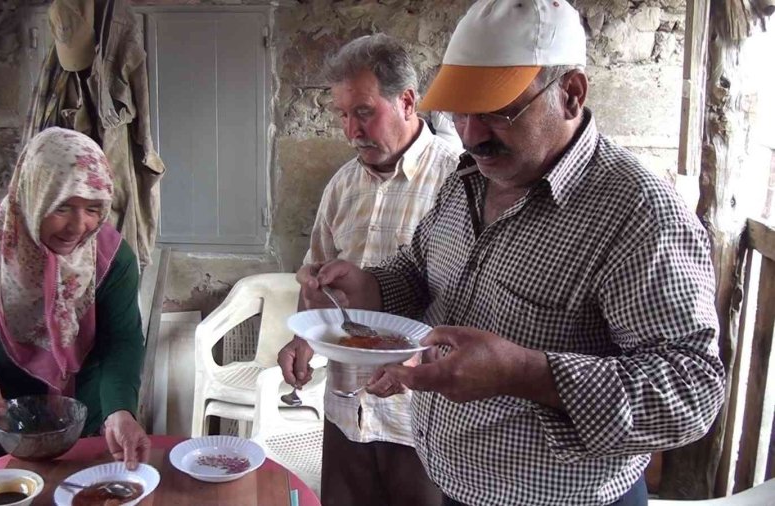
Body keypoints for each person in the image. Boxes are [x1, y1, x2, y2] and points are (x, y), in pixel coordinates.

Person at [294, 2, 726, 505]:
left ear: (571, 93)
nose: (472, 134)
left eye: (499, 111)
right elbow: (419, 270)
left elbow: (692, 390)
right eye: (461, 111)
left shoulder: (636, 212)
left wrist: (525, 373)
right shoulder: (467, 181)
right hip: (453, 483)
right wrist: (370, 287)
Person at [277, 34, 460, 506]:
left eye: (363, 112)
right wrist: (302, 338)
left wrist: (421, 360)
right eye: (342, 114)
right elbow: (315, 269)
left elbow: (470, 303)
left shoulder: (457, 181)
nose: (351, 130)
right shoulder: (342, 186)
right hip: (346, 409)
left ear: (407, 102)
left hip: (422, 420)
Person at [0, 127, 150, 477]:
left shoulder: (111, 259)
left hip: (77, 423)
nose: (78, 226)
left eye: (93, 208)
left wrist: (120, 409)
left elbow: (121, 339)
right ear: (34, 194)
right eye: (62, 207)